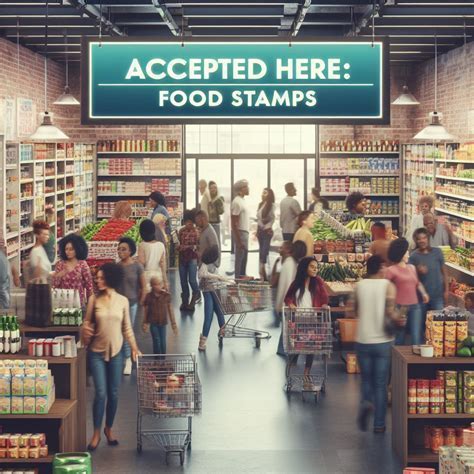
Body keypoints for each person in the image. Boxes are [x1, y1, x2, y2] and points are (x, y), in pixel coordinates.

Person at [81, 263, 141, 451]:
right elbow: (87, 324)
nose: (97, 280)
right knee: (100, 393)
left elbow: (126, 328)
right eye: (96, 277)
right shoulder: (93, 300)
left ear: (110, 278)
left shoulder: (122, 301)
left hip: (116, 354)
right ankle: (96, 432)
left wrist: (134, 347)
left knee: (113, 394)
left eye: (100, 277)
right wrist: (84, 330)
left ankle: (109, 428)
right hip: (96, 353)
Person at [351, 255, 400, 434]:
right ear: (380, 267)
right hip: (383, 341)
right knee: (380, 384)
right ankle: (379, 424)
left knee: (366, 380)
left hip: (363, 339)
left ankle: (365, 402)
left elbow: (353, 311)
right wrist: (400, 318)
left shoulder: (359, 286)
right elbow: (390, 312)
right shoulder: (388, 286)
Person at [284, 257, 329, 383]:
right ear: (305, 267)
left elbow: (324, 298)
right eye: (312, 266)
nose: (315, 269)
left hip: (313, 319)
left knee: (311, 347)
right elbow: (287, 298)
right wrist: (291, 304)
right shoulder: (296, 283)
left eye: (316, 267)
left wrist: (324, 305)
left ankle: (306, 373)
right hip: (298, 320)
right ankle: (293, 361)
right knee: (298, 346)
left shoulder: (318, 282)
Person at [385, 238, 429, 345]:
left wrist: (424, 293)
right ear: (401, 254)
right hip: (400, 308)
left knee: (416, 336)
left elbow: (417, 283)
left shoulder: (412, 268)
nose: (408, 254)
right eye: (406, 252)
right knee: (399, 336)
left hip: (415, 307)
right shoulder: (391, 270)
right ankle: (397, 360)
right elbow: (384, 287)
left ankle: (415, 361)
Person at [117, 237, 146, 375]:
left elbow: (144, 286)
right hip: (118, 305)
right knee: (120, 332)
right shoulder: (116, 267)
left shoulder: (137, 267)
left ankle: (128, 359)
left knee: (127, 332)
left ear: (130, 251)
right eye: (119, 249)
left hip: (132, 304)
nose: (120, 251)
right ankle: (124, 358)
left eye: (124, 249)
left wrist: (141, 303)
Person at [275, 241, 308, 356]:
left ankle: (282, 349)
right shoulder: (291, 264)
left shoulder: (291, 262)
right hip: (287, 303)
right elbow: (289, 286)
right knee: (287, 327)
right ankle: (283, 350)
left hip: (285, 303)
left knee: (286, 327)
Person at [198, 246, 231, 351]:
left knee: (219, 311)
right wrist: (217, 277)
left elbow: (217, 276)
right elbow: (201, 274)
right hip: (208, 291)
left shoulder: (214, 265)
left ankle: (222, 331)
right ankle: (202, 341)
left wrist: (223, 279)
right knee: (209, 316)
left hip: (214, 290)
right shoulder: (204, 265)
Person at [409, 227, 449, 313]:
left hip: (437, 297)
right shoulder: (413, 256)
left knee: (437, 324)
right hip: (421, 298)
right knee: (422, 325)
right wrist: (418, 271)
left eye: (424, 238)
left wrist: (446, 290)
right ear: (416, 241)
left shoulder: (438, 252)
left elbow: (445, 273)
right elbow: (411, 278)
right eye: (419, 239)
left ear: (428, 239)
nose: (422, 241)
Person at [52, 234, 94, 310]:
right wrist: (60, 275)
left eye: (71, 249)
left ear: (77, 249)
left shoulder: (82, 264)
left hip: (78, 304)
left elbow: (89, 286)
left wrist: (90, 306)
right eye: (66, 249)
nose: (68, 252)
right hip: (62, 304)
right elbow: (54, 285)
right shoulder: (60, 264)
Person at [142, 276, 178, 354]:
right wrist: (145, 323)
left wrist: (173, 324)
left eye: (159, 284)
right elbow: (146, 310)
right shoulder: (148, 296)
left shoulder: (166, 296)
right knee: (156, 340)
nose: (158, 286)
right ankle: (157, 359)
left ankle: (163, 359)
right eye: (155, 284)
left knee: (163, 341)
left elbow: (170, 310)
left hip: (163, 322)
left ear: (162, 284)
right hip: (153, 323)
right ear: (152, 285)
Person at [177, 210, 200, 311]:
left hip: (193, 258)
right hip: (182, 258)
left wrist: (188, 247)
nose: (188, 224)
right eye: (187, 222)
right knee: (183, 281)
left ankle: (195, 295)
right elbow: (177, 243)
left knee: (192, 280)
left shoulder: (197, 232)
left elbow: (199, 246)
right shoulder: (181, 231)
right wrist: (179, 247)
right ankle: (184, 301)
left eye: (191, 222)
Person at [137, 219, 168, 291]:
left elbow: (142, 263)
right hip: (158, 278)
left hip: (147, 279)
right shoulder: (161, 245)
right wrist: (165, 281)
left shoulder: (142, 245)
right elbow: (163, 264)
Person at [231, 179, 250, 278]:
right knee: (240, 259)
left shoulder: (242, 201)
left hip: (244, 233)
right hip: (240, 233)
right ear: (240, 190)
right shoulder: (237, 202)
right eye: (245, 187)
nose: (248, 188)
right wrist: (238, 240)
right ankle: (238, 279)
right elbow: (234, 223)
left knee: (244, 258)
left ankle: (242, 277)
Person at [256, 188, 276, 281]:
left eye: (265, 193)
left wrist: (266, 226)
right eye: (262, 192)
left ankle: (264, 272)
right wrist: (257, 229)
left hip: (267, 231)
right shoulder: (260, 204)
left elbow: (272, 218)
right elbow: (258, 219)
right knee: (261, 252)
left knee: (264, 252)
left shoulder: (271, 205)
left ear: (269, 195)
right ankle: (262, 275)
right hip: (260, 231)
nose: (262, 194)